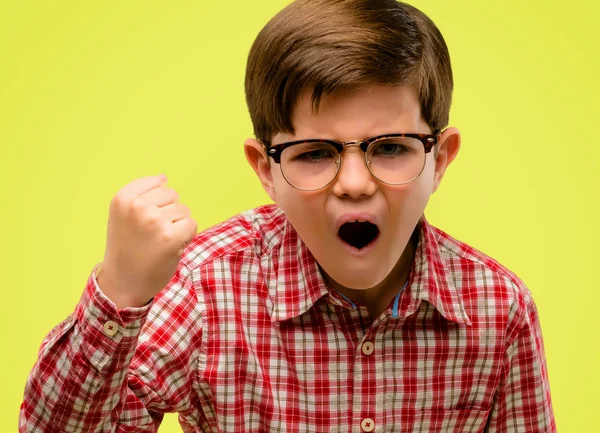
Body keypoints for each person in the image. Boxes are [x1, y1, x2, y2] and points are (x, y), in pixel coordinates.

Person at [19, 0, 556, 431]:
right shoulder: (205, 288)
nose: (353, 184)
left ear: (440, 159)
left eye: (391, 148)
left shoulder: (499, 310)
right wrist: (121, 293)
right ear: (266, 169)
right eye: (315, 153)